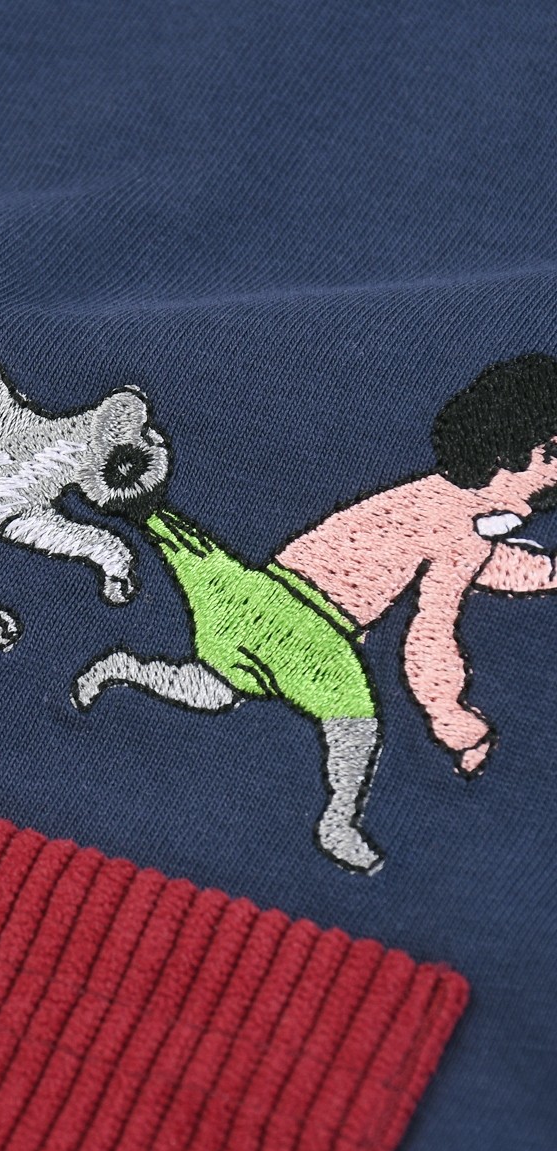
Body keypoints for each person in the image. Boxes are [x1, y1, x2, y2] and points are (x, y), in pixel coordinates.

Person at [74, 353, 557, 874]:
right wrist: (452, 720)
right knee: (355, 724)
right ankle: (339, 821)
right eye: (550, 453)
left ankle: (125, 666)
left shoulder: (436, 497)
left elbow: (489, 564)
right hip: (311, 632)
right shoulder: (461, 528)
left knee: (212, 680)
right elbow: (430, 635)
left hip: (245, 594)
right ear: (507, 449)